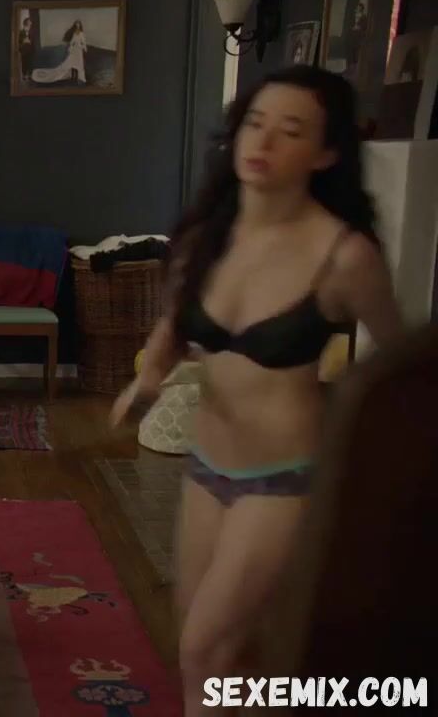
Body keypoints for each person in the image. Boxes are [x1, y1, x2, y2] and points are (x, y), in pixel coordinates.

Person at [109, 66, 404, 716]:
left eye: (290, 130)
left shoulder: (345, 256)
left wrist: (369, 451)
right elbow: (173, 327)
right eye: (254, 123)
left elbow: (401, 363)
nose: (263, 141)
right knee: (224, 658)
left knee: (205, 651)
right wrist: (146, 381)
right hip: (206, 467)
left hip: (287, 479)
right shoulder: (206, 237)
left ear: (325, 154)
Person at [31, 19, 87, 85]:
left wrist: (84, 48)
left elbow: (83, 41)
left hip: (79, 50)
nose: (77, 25)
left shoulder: (81, 33)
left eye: (78, 24)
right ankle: (72, 78)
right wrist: (70, 48)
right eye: (76, 24)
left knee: (79, 65)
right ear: (75, 25)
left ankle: (79, 79)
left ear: (80, 25)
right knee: (70, 64)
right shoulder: (74, 33)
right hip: (74, 50)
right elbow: (72, 41)